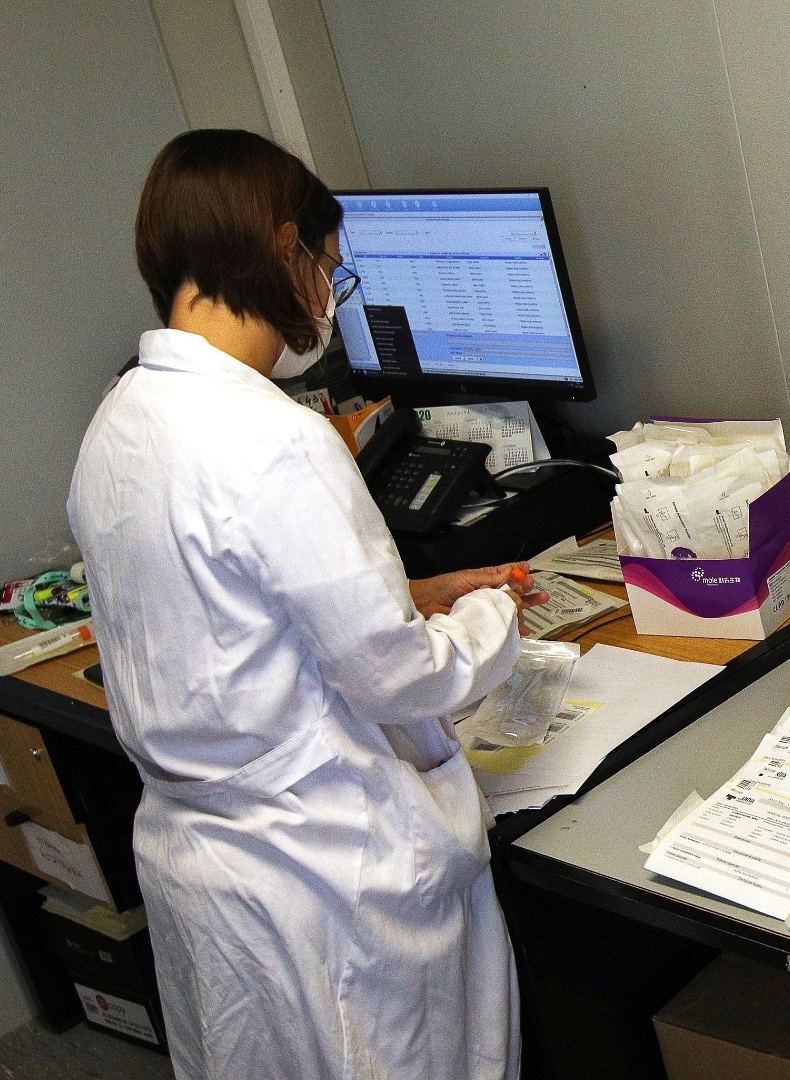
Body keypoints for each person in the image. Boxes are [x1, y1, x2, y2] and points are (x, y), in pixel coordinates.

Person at [67, 129, 547, 1080]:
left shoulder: (121, 419)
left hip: (203, 868)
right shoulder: (274, 438)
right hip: (322, 872)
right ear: (286, 249)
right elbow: (397, 678)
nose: (329, 297)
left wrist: (404, 595)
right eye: (331, 268)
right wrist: (489, 619)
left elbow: (215, 605)